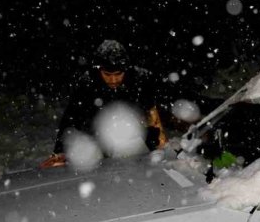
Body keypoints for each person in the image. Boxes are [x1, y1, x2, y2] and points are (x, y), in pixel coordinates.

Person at [41, 40, 168, 168]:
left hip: (134, 136)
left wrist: (160, 144)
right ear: (98, 69)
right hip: (98, 137)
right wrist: (60, 152)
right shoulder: (87, 83)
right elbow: (71, 119)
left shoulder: (140, 79)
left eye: (118, 74)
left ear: (126, 69)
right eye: (107, 74)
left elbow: (153, 114)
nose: (113, 80)